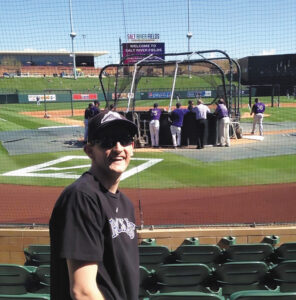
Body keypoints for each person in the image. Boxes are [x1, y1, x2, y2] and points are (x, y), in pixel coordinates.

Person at [50, 110, 139, 300]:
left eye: (124, 140)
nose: (118, 148)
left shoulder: (126, 204)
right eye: (107, 141)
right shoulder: (82, 197)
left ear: (132, 147)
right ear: (89, 150)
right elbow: (83, 292)